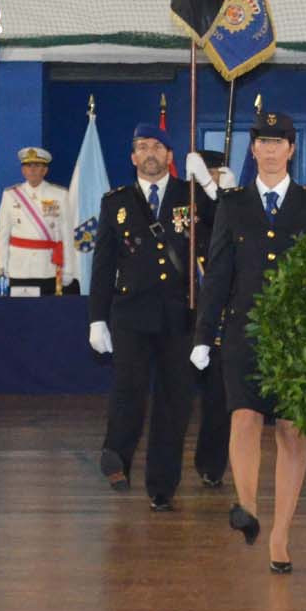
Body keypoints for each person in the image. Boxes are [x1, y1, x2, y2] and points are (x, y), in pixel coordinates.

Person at [192, 111, 306, 574]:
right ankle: (246, 506)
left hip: (296, 337)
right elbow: (218, 274)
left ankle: (280, 534)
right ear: (252, 150)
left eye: (279, 142)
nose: (270, 150)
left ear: (292, 150)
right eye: (263, 142)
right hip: (243, 332)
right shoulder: (233, 205)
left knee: (291, 431)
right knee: (244, 417)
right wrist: (203, 335)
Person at [89, 122, 211, 511]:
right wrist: (97, 318)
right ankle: (116, 454)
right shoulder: (116, 202)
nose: (150, 153)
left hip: (179, 314)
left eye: (157, 146)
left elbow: (225, 223)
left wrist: (208, 184)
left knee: (174, 404)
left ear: (171, 157)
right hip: (131, 312)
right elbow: (104, 264)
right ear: (133, 157)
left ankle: (161, 486)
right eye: (142, 147)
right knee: (128, 390)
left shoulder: (188, 195)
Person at [183, 147, 235, 488]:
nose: (208, 178)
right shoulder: (186, 204)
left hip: (215, 317)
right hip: (182, 314)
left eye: (214, 172)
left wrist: (217, 190)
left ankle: (211, 464)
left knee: (218, 400)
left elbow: (225, 224)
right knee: (177, 398)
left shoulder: (227, 205)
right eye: (205, 172)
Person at [0, 146, 76, 295]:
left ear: (45, 170)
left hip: (48, 269)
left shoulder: (60, 195)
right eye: (27, 166)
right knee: (18, 316)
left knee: (47, 316)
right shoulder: (10, 195)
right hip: (19, 269)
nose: (32, 170)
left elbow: (67, 235)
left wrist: (68, 269)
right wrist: (1, 268)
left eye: (37, 166)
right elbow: (2, 236)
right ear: (22, 170)